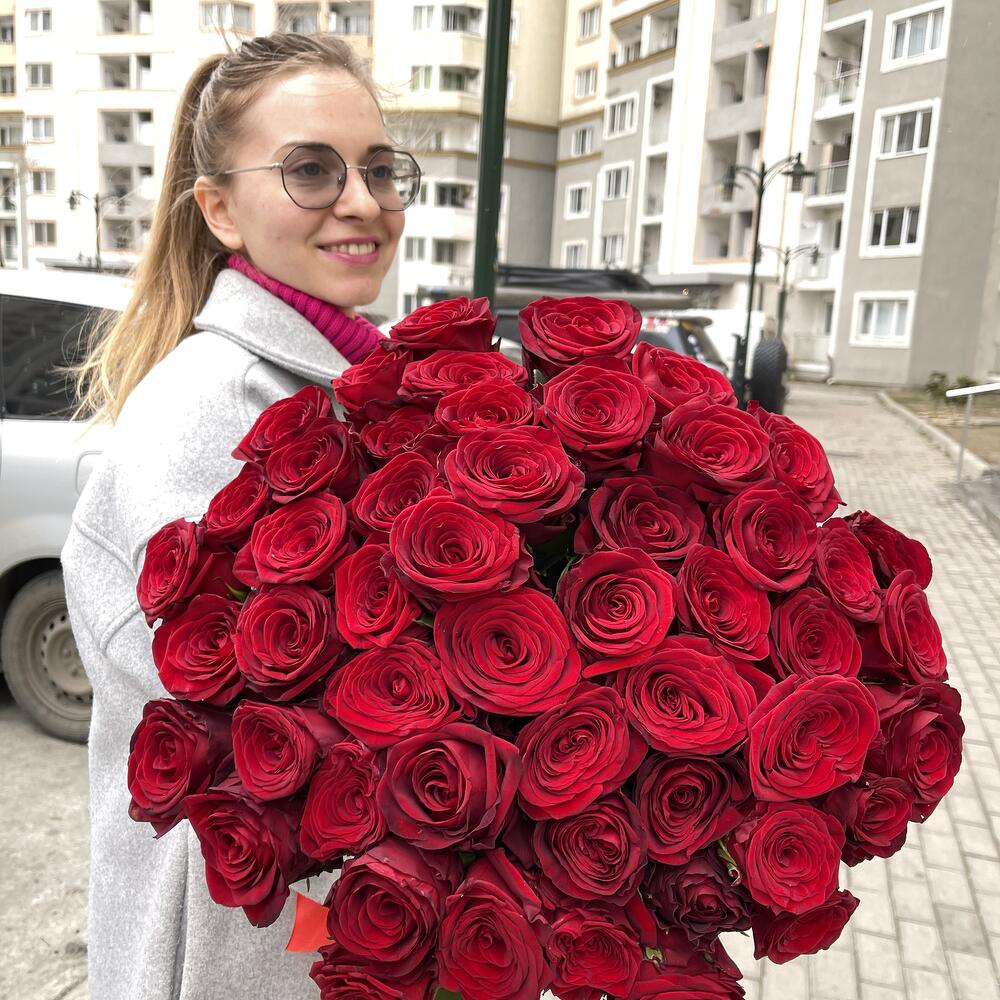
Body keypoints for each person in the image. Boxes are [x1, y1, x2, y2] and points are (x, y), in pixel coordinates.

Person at [61, 32, 419, 1000]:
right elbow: (240, 716)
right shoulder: (204, 412)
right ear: (219, 208)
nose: (362, 200)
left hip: (339, 927)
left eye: (380, 168)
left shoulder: (364, 383)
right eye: (311, 169)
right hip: (237, 947)